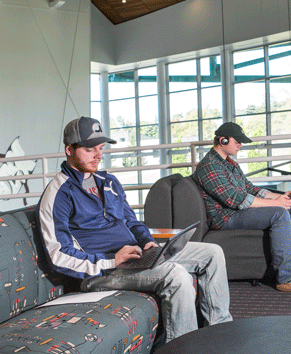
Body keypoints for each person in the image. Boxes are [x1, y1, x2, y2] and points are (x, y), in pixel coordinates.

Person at [37, 116, 232, 342]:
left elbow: (131, 221)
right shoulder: (58, 193)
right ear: (69, 149)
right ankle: (182, 353)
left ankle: (220, 332)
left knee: (213, 252)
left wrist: (146, 240)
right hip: (101, 271)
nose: (98, 155)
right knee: (176, 275)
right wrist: (112, 260)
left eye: (101, 148)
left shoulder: (108, 182)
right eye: (90, 150)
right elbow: (58, 255)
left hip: (134, 256)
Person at [193, 122, 291, 294]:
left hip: (238, 211)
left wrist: (278, 197)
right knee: (279, 213)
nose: (240, 145)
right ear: (223, 140)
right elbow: (235, 199)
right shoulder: (209, 166)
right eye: (237, 141)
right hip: (225, 217)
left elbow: (250, 188)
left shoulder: (229, 163)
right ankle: (287, 278)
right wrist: (277, 204)